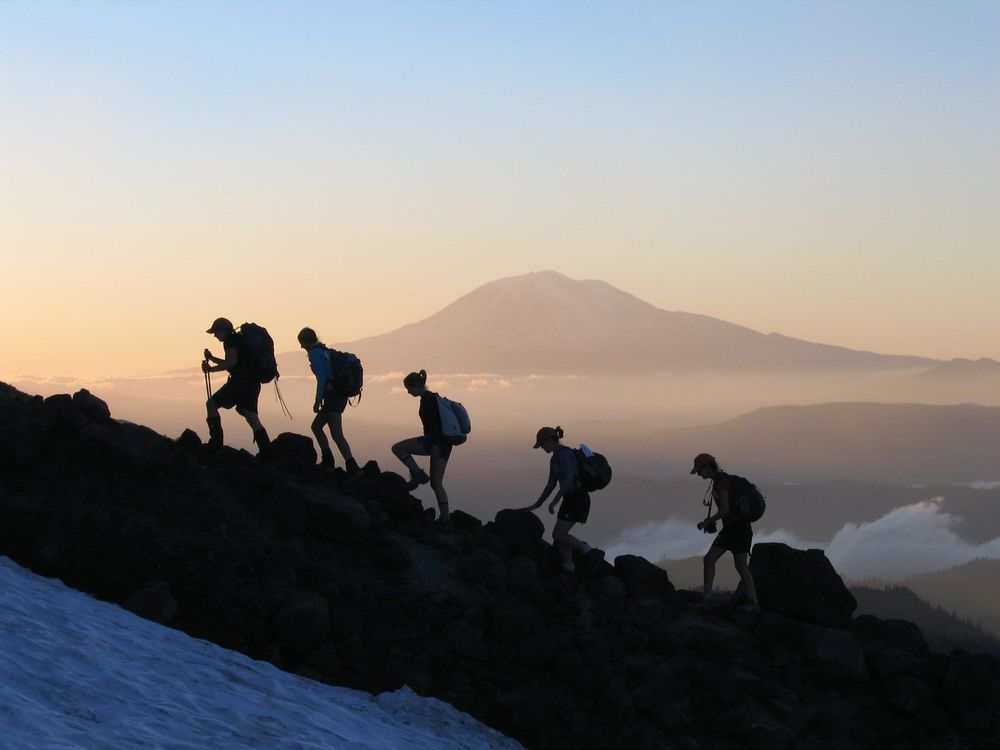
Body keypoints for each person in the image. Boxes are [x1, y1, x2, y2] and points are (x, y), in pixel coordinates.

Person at [526, 426, 603, 574]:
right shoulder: (555, 458)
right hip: (570, 498)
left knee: (558, 535)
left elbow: (568, 480)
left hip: (577, 498)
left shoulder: (565, 455)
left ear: (550, 441)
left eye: (542, 444)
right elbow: (551, 483)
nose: (542, 448)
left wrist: (555, 500)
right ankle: (569, 567)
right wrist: (538, 504)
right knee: (560, 535)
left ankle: (590, 552)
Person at [691, 452, 760, 613]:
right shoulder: (720, 482)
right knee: (739, 566)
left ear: (708, 467)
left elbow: (724, 509)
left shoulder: (722, 484)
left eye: (700, 471)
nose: (699, 474)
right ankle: (753, 602)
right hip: (740, 529)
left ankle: (707, 600)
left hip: (735, 529)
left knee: (711, 560)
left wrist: (707, 522)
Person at [391, 370, 457, 525]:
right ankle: (446, 519)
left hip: (434, 442)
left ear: (415, 386)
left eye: (408, 388)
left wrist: (433, 444)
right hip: (445, 444)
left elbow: (434, 425)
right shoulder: (435, 397)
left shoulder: (427, 400)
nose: (408, 392)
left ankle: (417, 473)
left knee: (398, 448)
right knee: (436, 483)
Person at [202, 317, 270, 456]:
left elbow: (232, 363)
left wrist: (211, 369)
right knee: (250, 415)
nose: (215, 335)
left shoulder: (230, 341)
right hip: (252, 383)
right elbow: (236, 363)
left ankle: (216, 443)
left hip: (239, 382)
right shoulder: (239, 340)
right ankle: (267, 451)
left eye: (216, 332)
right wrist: (213, 359)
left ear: (223, 330)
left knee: (211, 404)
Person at [297, 327, 360, 475]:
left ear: (307, 341)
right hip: (337, 395)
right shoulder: (324, 350)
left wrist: (317, 400)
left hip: (333, 396)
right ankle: (329, 460)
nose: (301, 346)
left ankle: (352, 467)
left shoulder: (314, 353)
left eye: (302, 342)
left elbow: (322, 378)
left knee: (336, 434)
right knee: (317, 427)